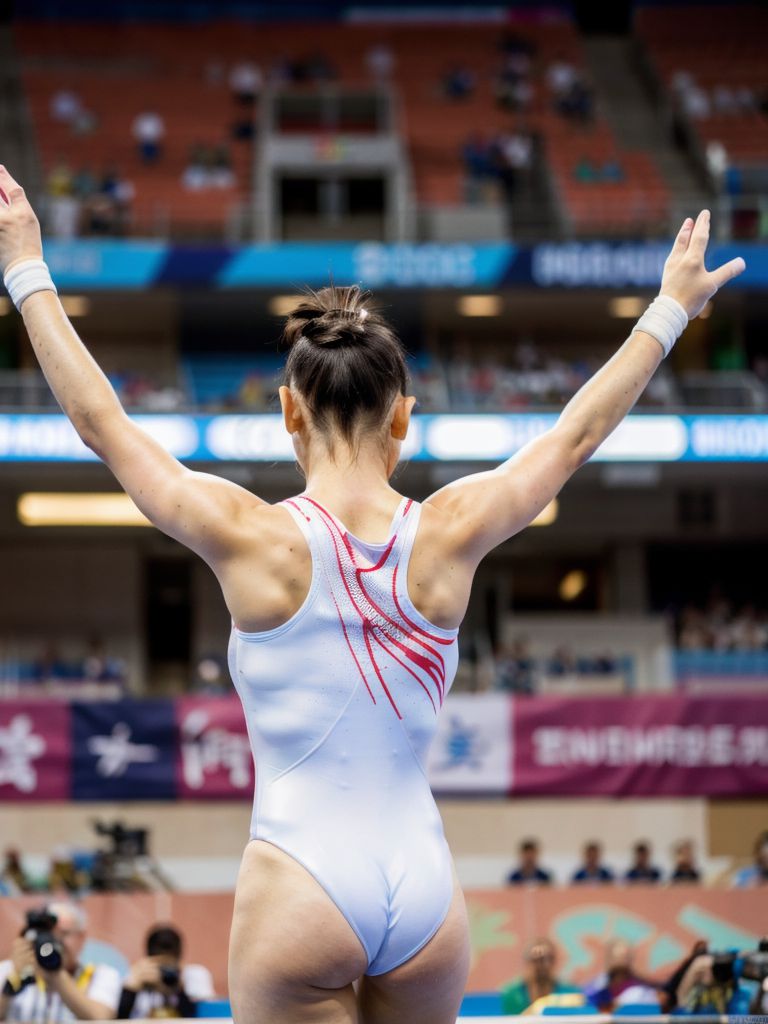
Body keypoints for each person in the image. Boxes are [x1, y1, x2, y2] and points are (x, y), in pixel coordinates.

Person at [0, 164, 745, 1023]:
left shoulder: (253, 536)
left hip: (301, 877)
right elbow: (575, 436)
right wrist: (668, 309)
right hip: (425, 891)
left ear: (288, 411)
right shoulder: (452, 529)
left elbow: (104, 426)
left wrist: (27, 269)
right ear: (404, 417)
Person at [0, 901, 121, 1022]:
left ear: (81, 938)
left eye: (64, 934)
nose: (55, 941)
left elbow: (101, 1019)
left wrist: (55, 971)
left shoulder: (101, 975)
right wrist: (13, 979)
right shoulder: (7, 969)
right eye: (49, 934)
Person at [117, 924, 214, 1019]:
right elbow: (117, 1020)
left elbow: (203, 1018)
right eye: (160, 966)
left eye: (169, 966)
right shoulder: (135, 977)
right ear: (149, 961)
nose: (164, 972)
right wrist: (131, 991)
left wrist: (179, 990)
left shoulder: (192, 976)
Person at [500, 937, 581, 1014]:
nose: (542, 965)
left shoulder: (570, 993)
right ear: (527, 961)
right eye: (536, 960)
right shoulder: (510, 996)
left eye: (547, 959)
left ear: (554, 961)